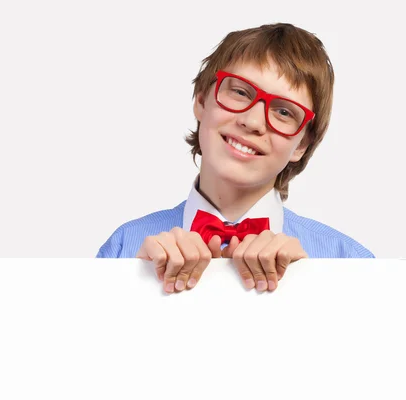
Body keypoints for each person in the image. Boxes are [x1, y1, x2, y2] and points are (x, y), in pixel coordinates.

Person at [97, 22, 374, 293]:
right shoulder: (124, 247)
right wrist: (130, 289)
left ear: (301, 144)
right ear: (202, 100)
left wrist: (317, 289)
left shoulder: (352, 262)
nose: (253, 121)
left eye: (284, 112)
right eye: (241, 92)